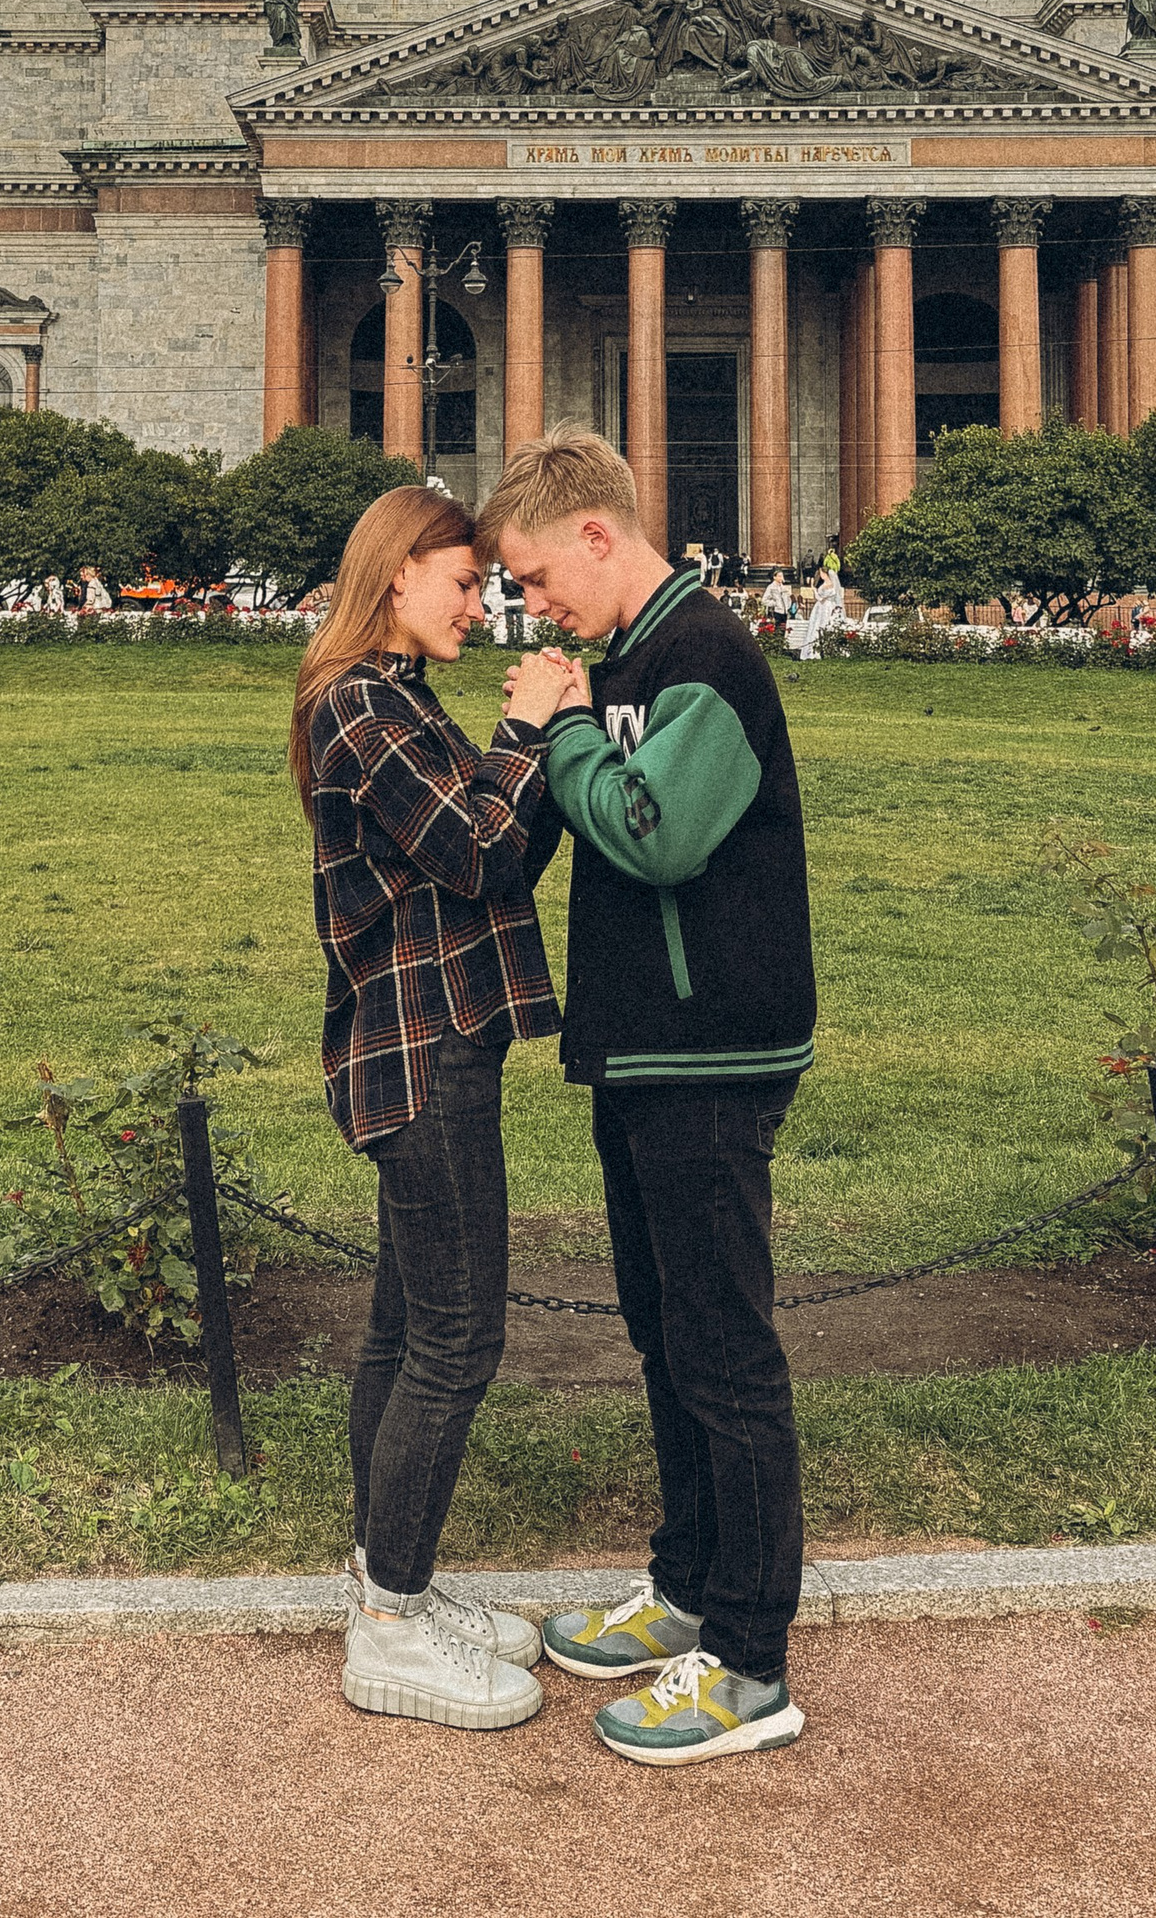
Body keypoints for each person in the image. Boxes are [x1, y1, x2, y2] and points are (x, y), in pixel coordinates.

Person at [483, 428, 814, 1768]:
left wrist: (564, 725)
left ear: (597, 533)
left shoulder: (706, 656)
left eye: (536, 576)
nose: (530, 604)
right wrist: (544, 727)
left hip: (712, 1050)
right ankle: (686, 1586)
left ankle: (749, 1659)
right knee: (665, 1332)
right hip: (638, 1048)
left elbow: (656, 832)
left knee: (724, 1350)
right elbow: (550, 828)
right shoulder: (622, 662)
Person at [290, 483, 583, 1735]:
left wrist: (539, 747)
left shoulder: (396, 696)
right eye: (464, 581)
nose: (481, 603)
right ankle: (392, 1622)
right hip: (423, 1050)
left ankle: (386, 1578)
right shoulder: (361, 702)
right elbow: (479, 851)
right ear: (397, 572)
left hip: (424, 1039)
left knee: (403, 1327)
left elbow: (500, 850)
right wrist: (525, 729)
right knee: (456, 1338)